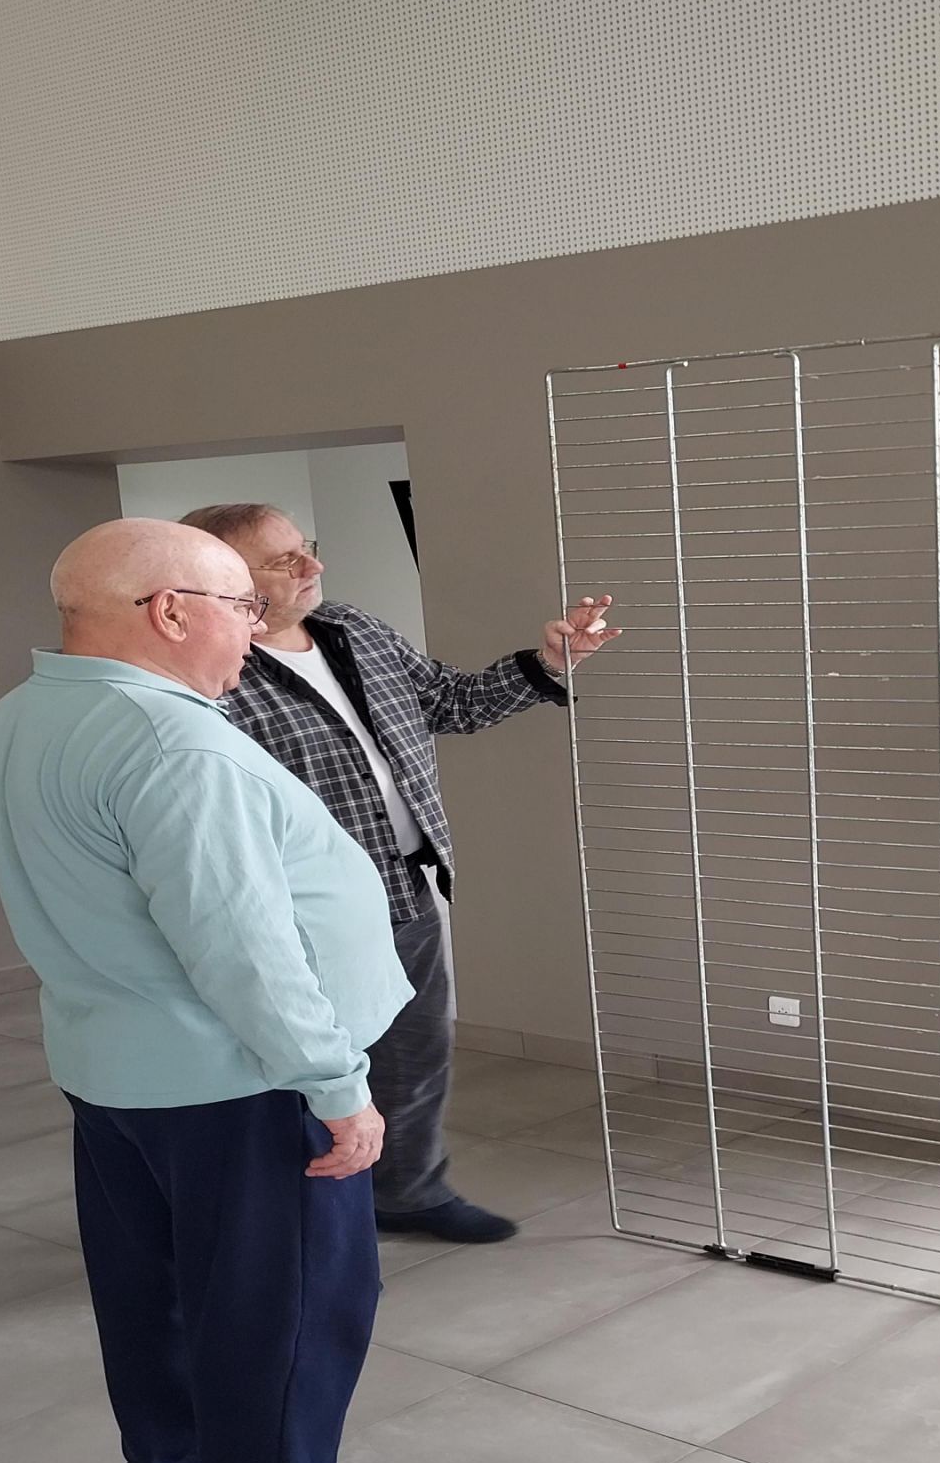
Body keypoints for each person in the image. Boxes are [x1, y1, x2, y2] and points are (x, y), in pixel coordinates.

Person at [0, 519, 464, 1463]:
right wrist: (338, 1089)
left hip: (115, 1071)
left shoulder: (18, 718)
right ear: (170, 610)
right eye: (243, 604)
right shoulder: (176, 746)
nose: (256, 626)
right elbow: (243, 949)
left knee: (153, 1292)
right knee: (283, 1309)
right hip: (242, 1084)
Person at [178, 503, 620, 1245]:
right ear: (220, 577)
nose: (313, 566)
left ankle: (405, 1192)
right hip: (300, 916)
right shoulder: (209, 672)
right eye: (285, 561)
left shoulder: (353, 629)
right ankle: (297, 1219)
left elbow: (452, 701)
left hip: (405, 890)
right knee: (301, 1071)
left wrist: (552, 663)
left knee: (414, 1055)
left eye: (307, 547)